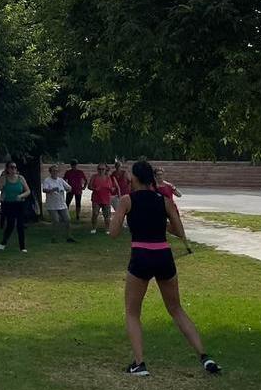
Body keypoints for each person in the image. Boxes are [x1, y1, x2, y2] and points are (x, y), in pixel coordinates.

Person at [110, 160, 221, 377]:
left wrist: (121, 215)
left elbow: (113, 232)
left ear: (134, 178)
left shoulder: (127, 200)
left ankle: (139, 364)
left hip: (141, 255)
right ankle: (204, 356)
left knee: (132, 312)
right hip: (163, 255)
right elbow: (179, 231)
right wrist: (161, 224)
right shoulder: (164, 200)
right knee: (176, 309)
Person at [0, 162, 31, 252]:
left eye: (15, 167)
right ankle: (3, 242)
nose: (13, 169)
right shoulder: (4, 179)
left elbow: (28, 191)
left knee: (20, 225)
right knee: (10, 225)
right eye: (11, 167)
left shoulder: (21, 178)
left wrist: (21, 196)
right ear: (7, 169)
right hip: (8, 204)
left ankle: (22, 247)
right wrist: (0, 199)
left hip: (19, 204)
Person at [42, 165, 75, 244]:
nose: (55, 172)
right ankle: (54, 237)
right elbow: (44, 190)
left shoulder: (60, 180)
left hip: (62, 204)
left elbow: (69, 188)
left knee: (67, 219)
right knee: (56, 220)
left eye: (57, 171)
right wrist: (52, 190)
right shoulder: (47, 180)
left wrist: (67, 189)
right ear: (50, 172)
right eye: (53, 171)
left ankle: (68, 237)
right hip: (52, 205)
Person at [89, 164, 118, 234]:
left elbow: (112, 188)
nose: (101, 170)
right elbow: (89, 186)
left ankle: (107, 229)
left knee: (107, 215)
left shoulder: (108, 178)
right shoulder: (94, 177)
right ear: (97, 169)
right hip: (96, 198)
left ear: (105, 170)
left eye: (103, 169)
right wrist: (95, 189)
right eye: (99, 169)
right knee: (95, 213)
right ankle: (93, 228)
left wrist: (112, 189)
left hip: (106, 198)